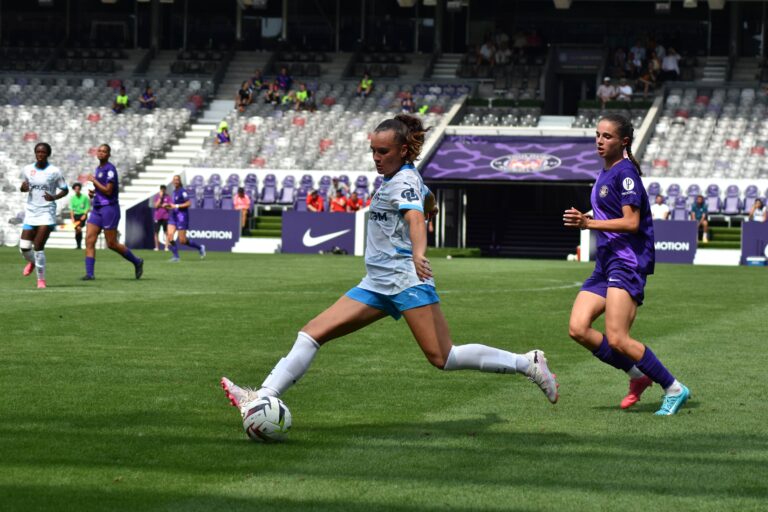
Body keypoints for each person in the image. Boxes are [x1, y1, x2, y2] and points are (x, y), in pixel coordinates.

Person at [220, 113, 559, 420]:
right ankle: (261, 397)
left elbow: (414, 218)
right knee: (312, 333)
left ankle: (526, 363)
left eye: (383, 152)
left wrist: (418, 252)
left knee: (444, 357)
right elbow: (425, 202)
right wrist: (433, 207)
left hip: (406, 280)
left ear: (402, 152)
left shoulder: (403, 182)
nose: (377, 158)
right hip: (376, 283)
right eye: (373, 151)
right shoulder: (405, 179)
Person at [563, 114, 690, 416]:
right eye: (598, 134)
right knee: (578, 328)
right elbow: (606, 212)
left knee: (618, 337)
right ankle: (637, 376)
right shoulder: (605, 173)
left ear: (624, 142)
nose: (600, 140)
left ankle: (673, 387)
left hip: (627, 262)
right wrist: (586, 217)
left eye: (607, 136)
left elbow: (632, 222)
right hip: (606, 263)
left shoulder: (626, 173)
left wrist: (588, 222)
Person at [82, 144, 144, 281]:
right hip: (97, 208)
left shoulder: (110, 169)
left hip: (109, 208)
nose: (101, 153)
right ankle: (90, 274)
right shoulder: (99, 168)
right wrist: (94, 193)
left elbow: (108, 190)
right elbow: (101, 189)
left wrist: (94, 181)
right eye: (99, 150)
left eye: (104, 151)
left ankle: (137, 261)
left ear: (109, 154)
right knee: (89, 240)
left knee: (111, 243)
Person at [19, 142, 68, 289]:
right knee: (24, 247)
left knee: (38, 246)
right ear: (35, 153)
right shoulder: (27, 169)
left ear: (48, 154)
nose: (40, 155)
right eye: (38, 152)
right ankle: (33, 262)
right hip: (31, 212)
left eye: (43, 152)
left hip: (47, 212)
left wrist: (54, 197)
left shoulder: (54, 171)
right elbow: (24, 187)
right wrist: (23, 188)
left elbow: (65, 189)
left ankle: (41, 280)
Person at [165, 174, 206, 262]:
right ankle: (176, 257)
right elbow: (174, 205)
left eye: (177, 180)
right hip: (173, 215)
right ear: (172, 181)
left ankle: (200, 248)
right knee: (170, 236)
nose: (175, 181)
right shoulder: (174, 191)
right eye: (174, 179)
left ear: (180, 181)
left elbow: (189, 203)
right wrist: (169, 206)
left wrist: (176, 206)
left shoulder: (182, 191)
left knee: (182, 240)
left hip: (181, 216)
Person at [69, 182, 90, 249]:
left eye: (78, 189)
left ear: (80, 189)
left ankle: (79, 245)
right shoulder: (72, 198)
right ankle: (78, 245)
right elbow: (71, 209)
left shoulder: (85, 197)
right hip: (75, 215)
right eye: (75, 189)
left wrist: (85, 214)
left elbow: (87, 207)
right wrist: (72, 217)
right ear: (74, 190)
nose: (77, 190)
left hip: (82, 215)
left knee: (79, 228)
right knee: (77, 230)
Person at [153, 184, 172, 251]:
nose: (163, 190)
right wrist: (160, 198)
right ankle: (157, 247)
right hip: (157, 217)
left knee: (166, 232)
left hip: (165, 216)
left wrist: (166, 205)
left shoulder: (168, 197)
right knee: (156, 232)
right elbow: (155, 206)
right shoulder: (157, 196)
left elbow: (170, 206)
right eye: (162, 189)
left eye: (164, 189)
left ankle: (166, 247)